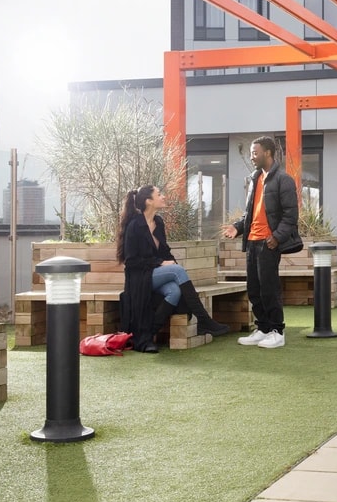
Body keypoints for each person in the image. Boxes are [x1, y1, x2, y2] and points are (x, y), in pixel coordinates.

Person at [117, 185, 230, 353]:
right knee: (177, 271)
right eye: (159, 194)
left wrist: (168, 262)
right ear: (149, 201)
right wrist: (160, 264)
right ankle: (204, 320)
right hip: (138, 277)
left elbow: (165, 251)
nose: (163, 196)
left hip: (153, 274)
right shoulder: (135, 226)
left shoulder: (159, 223)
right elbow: (131, 261)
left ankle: (148, 335)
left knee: (174, 292)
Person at [222, 136, 301, 349]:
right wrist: (237, 228)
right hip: (252, 241)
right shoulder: (255, 179)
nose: (251, 157)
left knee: (269, 288)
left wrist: (276, 237)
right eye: (250, 153)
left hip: (268, 242)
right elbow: (250, 213)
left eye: (255, 153)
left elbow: (291, 216)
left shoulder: (283, 180)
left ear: (267, 153)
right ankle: (263, 328)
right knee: (254, 288)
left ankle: (277, 331)